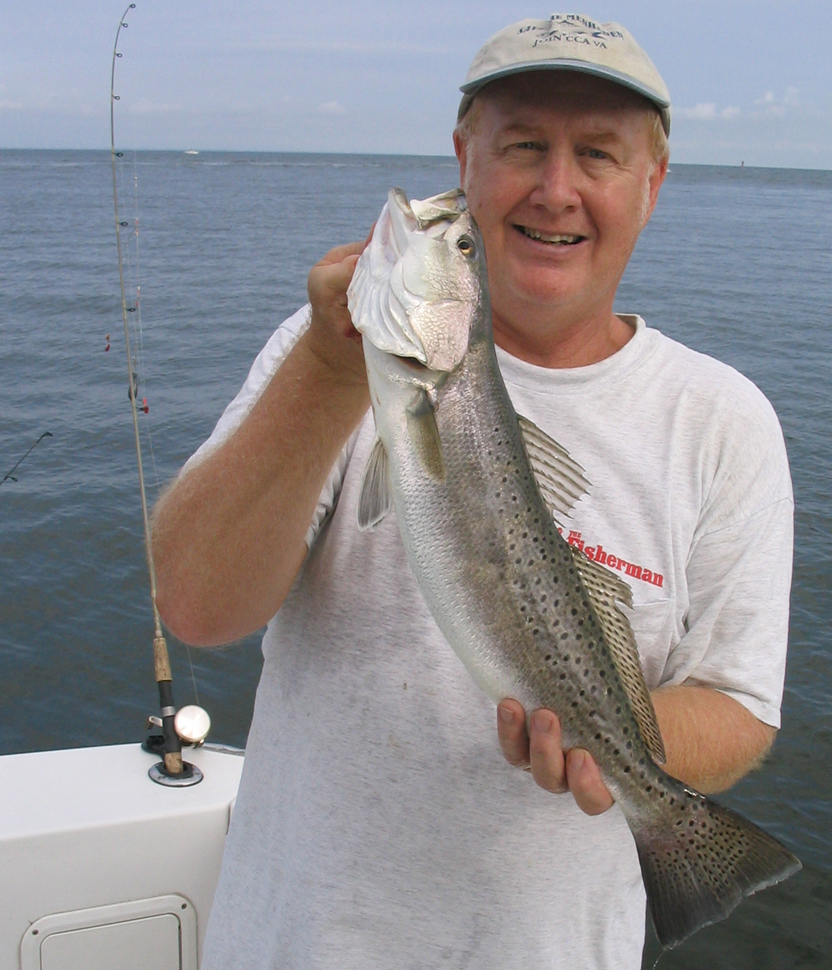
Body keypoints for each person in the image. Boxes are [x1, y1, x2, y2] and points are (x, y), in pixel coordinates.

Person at [151, 13, 794, 969]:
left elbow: (741, 705)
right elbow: (195, 606)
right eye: (524, 145)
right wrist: (327, 379)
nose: (557, 188)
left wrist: (606, 737)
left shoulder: (723, 421)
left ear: (651, 185)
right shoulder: (326, 359)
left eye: (599, 154)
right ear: (466, 158)